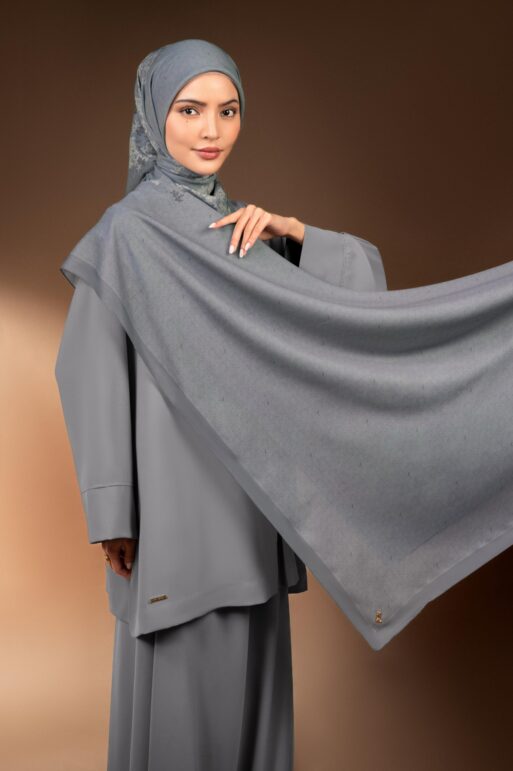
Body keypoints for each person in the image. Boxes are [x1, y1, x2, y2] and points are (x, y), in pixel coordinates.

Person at [54, 39, 385, 771]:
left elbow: (352, 309)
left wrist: (291, 233)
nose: (211, 131)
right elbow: (88, 367)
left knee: (253, 709)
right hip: (173, 515)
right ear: (154, 116)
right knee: (182, 715)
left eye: (227, 111)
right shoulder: (127, 232)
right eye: (189, 110)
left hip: (251, 509)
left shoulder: (240, 225)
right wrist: (113, 510)